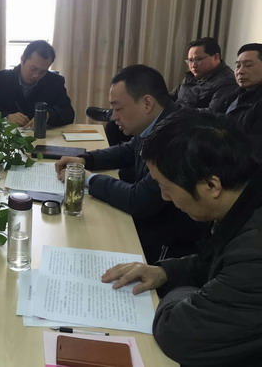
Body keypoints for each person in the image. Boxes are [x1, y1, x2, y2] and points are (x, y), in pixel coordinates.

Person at [102, 110, 262, 367]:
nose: (164, 197)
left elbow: (178, 333)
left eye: (166, 187)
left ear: (211, 186)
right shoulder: (244, 201)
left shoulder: (254, 254)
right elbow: (216, 262)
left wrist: (190, 294)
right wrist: (164, 272)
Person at [55, 65, 206, 263]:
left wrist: (88, 179)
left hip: (166, 247)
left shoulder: (177, 138)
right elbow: (128, 150)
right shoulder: (162, 121)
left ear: (147, 103)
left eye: (118, 108)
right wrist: (86, 159)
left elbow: (138, 200)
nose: (113, 116)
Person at [87, 37, 238, 144]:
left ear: (216, 57)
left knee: (120, 127)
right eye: (190, 60)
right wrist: (155, 98)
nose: (193, 65)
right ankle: (116, 113)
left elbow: (212, 114)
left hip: (187, 127)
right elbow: (172, 95)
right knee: (116, 126)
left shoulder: (226, 82)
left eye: (198, 59)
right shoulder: (191, 77)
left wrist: (174, 110)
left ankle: (111, 114)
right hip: (173, 116)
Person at [0, 40, 75, 127]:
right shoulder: (2, 79)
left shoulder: (55, 82)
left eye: (43, 72)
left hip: (43, 138)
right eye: (33, 69)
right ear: (22, 59)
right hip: (6, 138)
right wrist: (6, 116)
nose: (36, 75)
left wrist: (49, 115)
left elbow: (68, 114)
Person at [217, 43, 262, 152]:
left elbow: (254, 148)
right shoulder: (232, 94)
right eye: (238, 66)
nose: (240, 71)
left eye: (248, 65)